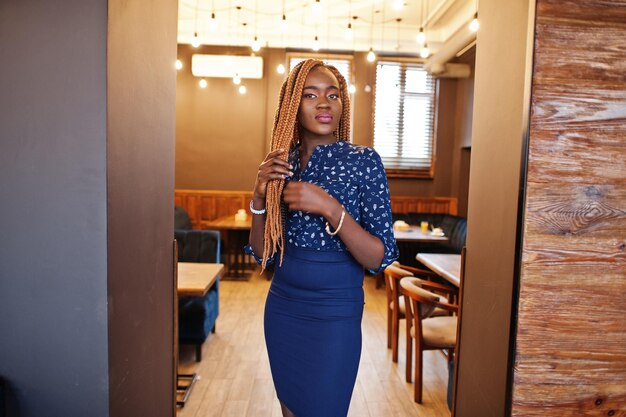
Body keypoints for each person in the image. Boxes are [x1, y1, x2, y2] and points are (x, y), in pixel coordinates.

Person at [245, 59, 398, 417]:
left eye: (333, 95)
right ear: (292, 107)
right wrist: (257, 197)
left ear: (343, 104)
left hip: (335, 313)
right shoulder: (283, 164)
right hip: (283, 307)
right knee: (292, 411)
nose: (324, 104)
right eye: (310, 95)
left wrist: (330, 208)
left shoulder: (364, 162)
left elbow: (378, 256)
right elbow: (262, 254)